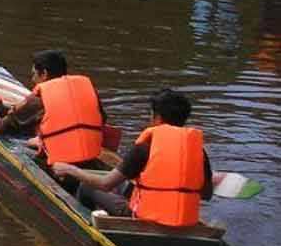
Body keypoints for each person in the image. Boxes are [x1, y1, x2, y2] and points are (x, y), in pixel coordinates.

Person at [53, 89, 213, 227]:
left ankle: (90, 224)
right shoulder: (199, 151)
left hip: (144, 221)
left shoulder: (143, 148)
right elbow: (206, 194)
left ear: (157, 117)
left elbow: (105, 184)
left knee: (86, 187)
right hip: (184, 223)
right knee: (125, 186)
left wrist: (70, 169)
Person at [0, 50, 105, 167]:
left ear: (44, 74)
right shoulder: (86, 89)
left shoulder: (38, 100)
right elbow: (102, 119)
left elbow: (1, 128)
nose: (32, 80)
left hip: (61, 164)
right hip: (89, 155)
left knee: (19, 141)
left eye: (33, 74)